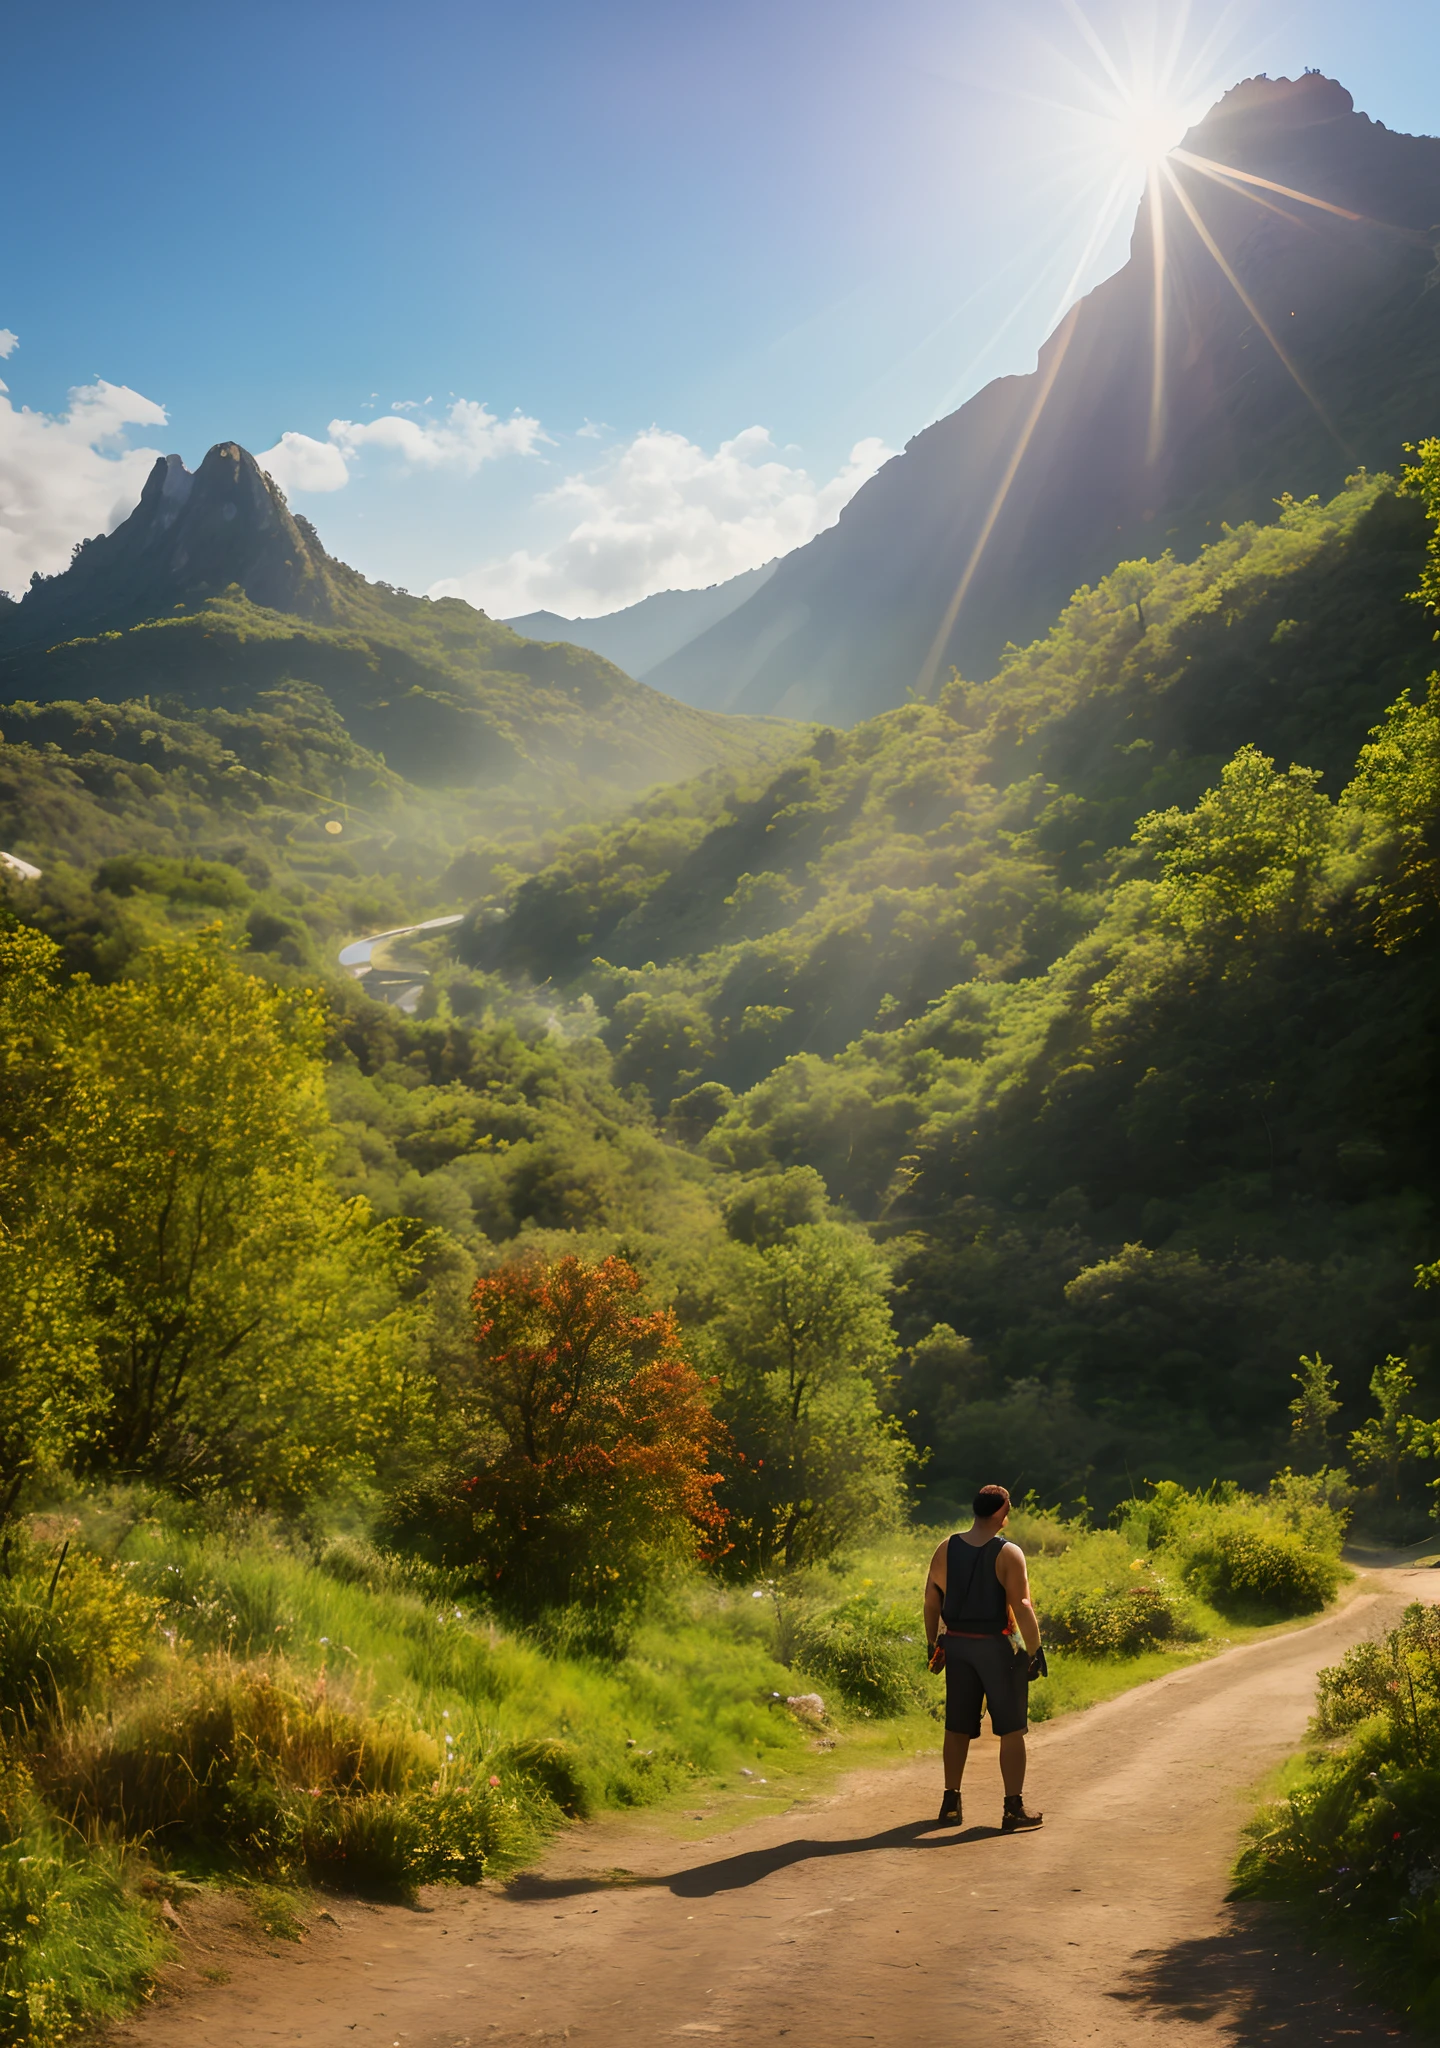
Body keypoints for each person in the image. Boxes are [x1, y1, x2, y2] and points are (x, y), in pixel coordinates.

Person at [924, 1483, 1045, 1832]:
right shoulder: (1008, 1553)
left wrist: (934, 1643)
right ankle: (1012, 1808)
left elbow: (932, 1600)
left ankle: (950, 1803)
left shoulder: (946, 1547)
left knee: (957, 1726)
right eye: (1008, 1508)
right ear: (999, 1513)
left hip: (957, 1646)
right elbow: (1023, 1607)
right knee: (1011, 1729)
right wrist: (1035, 1651)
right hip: (996, 1647)